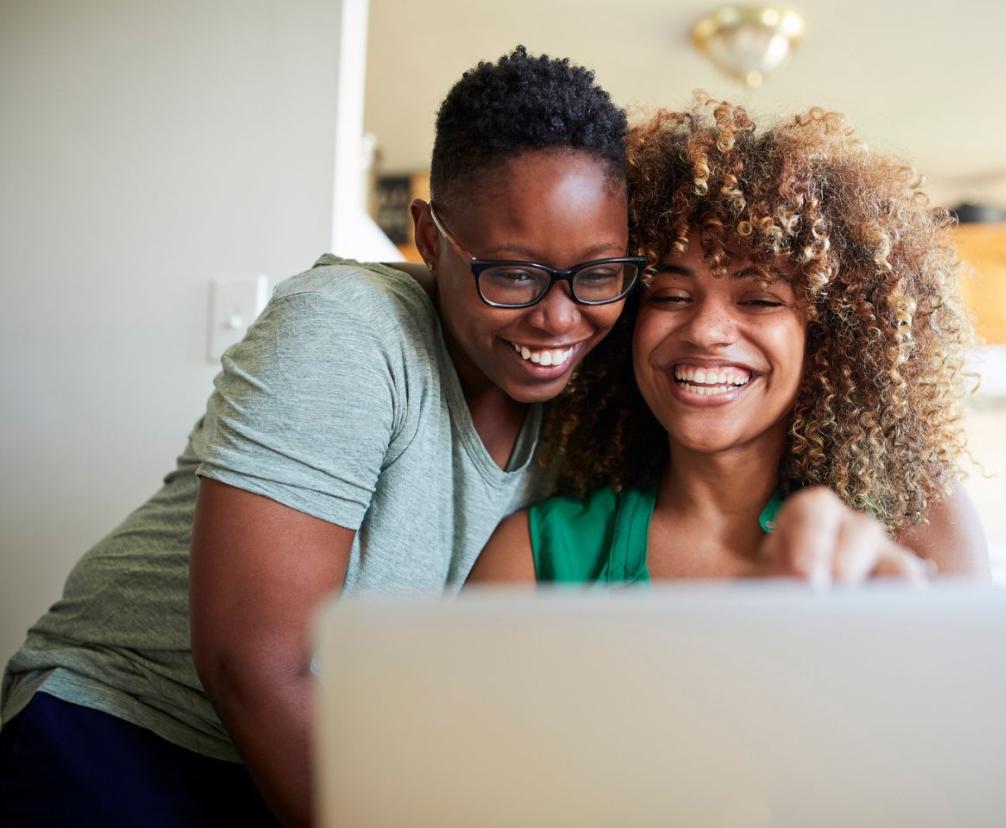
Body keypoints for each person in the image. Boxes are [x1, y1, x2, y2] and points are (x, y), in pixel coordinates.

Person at [0, 47, 640, 826]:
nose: (559, 317)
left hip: (319, 759)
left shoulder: (590, 405)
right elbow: (253, 668)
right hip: (127, 729)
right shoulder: (347, 326)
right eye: (511, 273)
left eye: (598, 274)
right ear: (431, 239)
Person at [470, 98, 988, 586]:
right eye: (670, 295)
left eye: (760, 300)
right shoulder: (534, 559)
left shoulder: (918, 522)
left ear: (830, 333)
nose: (704, 330)